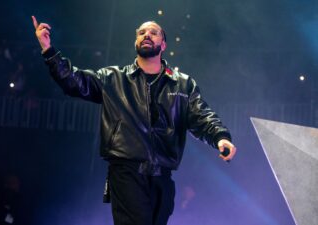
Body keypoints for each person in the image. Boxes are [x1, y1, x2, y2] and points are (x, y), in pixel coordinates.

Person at [32, 16, 237, 225]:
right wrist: (48, 50)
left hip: (162, 176)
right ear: (136, 42)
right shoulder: (113, 78)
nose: (147, 35)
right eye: (141, 33)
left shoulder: (182, 85)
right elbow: (74, 82)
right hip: (126, 170)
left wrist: (220, 137)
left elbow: (201, 115)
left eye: (153, 32)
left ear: (163, 44)